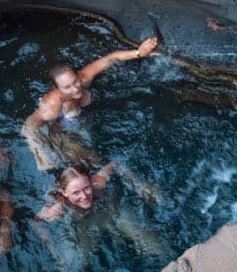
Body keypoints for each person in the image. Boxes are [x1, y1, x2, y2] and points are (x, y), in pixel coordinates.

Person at [22, 36, 159, 171]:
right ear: (57, 89)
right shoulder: (52, 106)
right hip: (63, 130)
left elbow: (109, 59)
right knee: (93, 161)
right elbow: (28, 127)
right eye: (67, 87)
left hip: (85, 118)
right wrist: (39, 155)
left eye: (75, 81)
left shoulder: (83, 79)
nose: (75, 88)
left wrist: (139, 53)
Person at [35, 163, 163, 257]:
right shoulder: (58, 208)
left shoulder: (97, 183)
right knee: (76, 264)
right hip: (84, 226)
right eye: (76, 193)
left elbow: (116, 165)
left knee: (153, 246)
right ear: (64, 192)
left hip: (105, 211)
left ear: (90, 182)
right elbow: (36, 222)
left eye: (86, 188)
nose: (84, 196)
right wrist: (51, 246)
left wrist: (143, 187)